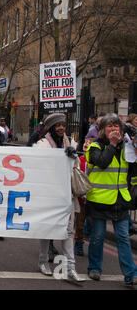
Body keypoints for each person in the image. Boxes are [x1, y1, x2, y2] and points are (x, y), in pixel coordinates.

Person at [85, 113, 137, 285]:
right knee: (98, 236)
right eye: (110, 126)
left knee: (123, 237)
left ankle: (131, 274)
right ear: (102, 130)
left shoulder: (127, 147)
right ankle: (94, 268)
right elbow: (102, 162)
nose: (114, 129)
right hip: (100, 199)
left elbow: (132, 170)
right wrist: (113, 144)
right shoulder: (95, 147)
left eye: (117, 126)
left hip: (120, 200)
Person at [33, 113, 85, 282]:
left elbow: (75, 167)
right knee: (47, 229)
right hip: (49, 195)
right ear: (51, 128)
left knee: (68, 231)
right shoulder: (42, 145)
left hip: (67, 195)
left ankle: (70, 268)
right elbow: (37, 166)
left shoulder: (71, 142)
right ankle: (43, 261)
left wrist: (73, 156)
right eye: (57, 125)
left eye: (63, 124)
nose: (61, 128)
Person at [74, 138, 94, 256]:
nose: (86, 144)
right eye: (85, 142)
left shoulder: (96, 161)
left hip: (93, 198)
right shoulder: (79, 160)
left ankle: (93, 246)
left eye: (89, 143)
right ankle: (79, 243)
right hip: (81, 198)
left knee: (92, 224)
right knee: (79, 224)